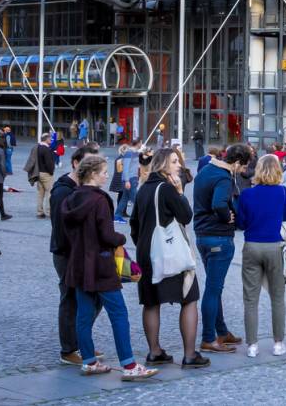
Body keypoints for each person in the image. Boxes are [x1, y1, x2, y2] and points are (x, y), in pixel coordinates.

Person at [62, 155, 157, 380]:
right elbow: (106, 235)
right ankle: (129, 365)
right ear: (93, 174)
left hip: (78, 263)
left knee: (84, 314)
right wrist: (120, 239)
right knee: (119, 313)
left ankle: (88, 361)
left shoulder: (70, 199)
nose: (107, 175)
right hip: (101, 263)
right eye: (104, 171)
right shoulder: (99, 200)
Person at [131, 149, 208, 369]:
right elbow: (186, 216)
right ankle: (190, 354)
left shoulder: (143, 188)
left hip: (146, 252)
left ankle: (154, 351)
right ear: (163, 164)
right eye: (174, 161)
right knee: (190, 297)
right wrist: (181, 191)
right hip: (169, 252)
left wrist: (143, 245)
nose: (179, 165)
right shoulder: (167, 188)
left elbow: (134, 224)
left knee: (151, 301)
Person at [193, 143, 251, 352]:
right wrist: (228, 217)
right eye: (243, 167)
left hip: (202, 235)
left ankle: (222, 331)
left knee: (213, 287)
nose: (242, 171)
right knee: (213, 289)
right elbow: (219, 203)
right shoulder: (224, 178)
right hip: (218, 236)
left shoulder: (206, 169)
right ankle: (209, 338)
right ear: (236, 162)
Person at [49, 144, 102, 365]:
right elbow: (62, 229)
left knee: (94, 297)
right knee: (70, 299)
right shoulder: (63, 191)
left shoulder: (86, 189)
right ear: (75, 163)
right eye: (89, 163)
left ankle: (81, 342)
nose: (93, 168)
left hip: (85, 252)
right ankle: (69, 349)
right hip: (67, 253)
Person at [236, 154, 286, 357]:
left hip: (252, 245)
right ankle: (278, 343)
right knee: (277, 297)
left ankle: (252, 345)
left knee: (250, 299)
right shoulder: (282, 192)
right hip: (274, 246)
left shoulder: (246, 194)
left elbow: (241, 223)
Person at [34, 133, 56, 218]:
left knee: (40, 194)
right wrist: (51, 172)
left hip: (38, 173)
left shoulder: (38, 147)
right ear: (46, 139)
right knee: (50, 193)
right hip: (46, 173)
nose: (51, 140)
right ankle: (49, 212)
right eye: (50, 138)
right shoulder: (46, 149)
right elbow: (49, 163)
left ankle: (39, 212)